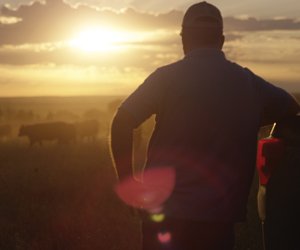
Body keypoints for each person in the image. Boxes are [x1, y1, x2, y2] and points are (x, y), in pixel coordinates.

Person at [110, 2, 300, 250]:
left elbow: (122, 121)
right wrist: (246, 117)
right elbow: (290, 107)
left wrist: (128, 181)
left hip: (163, 214)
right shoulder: (248, 82)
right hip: (218, 222)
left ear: (184, 39)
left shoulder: (166, 78)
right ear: (221, 40)